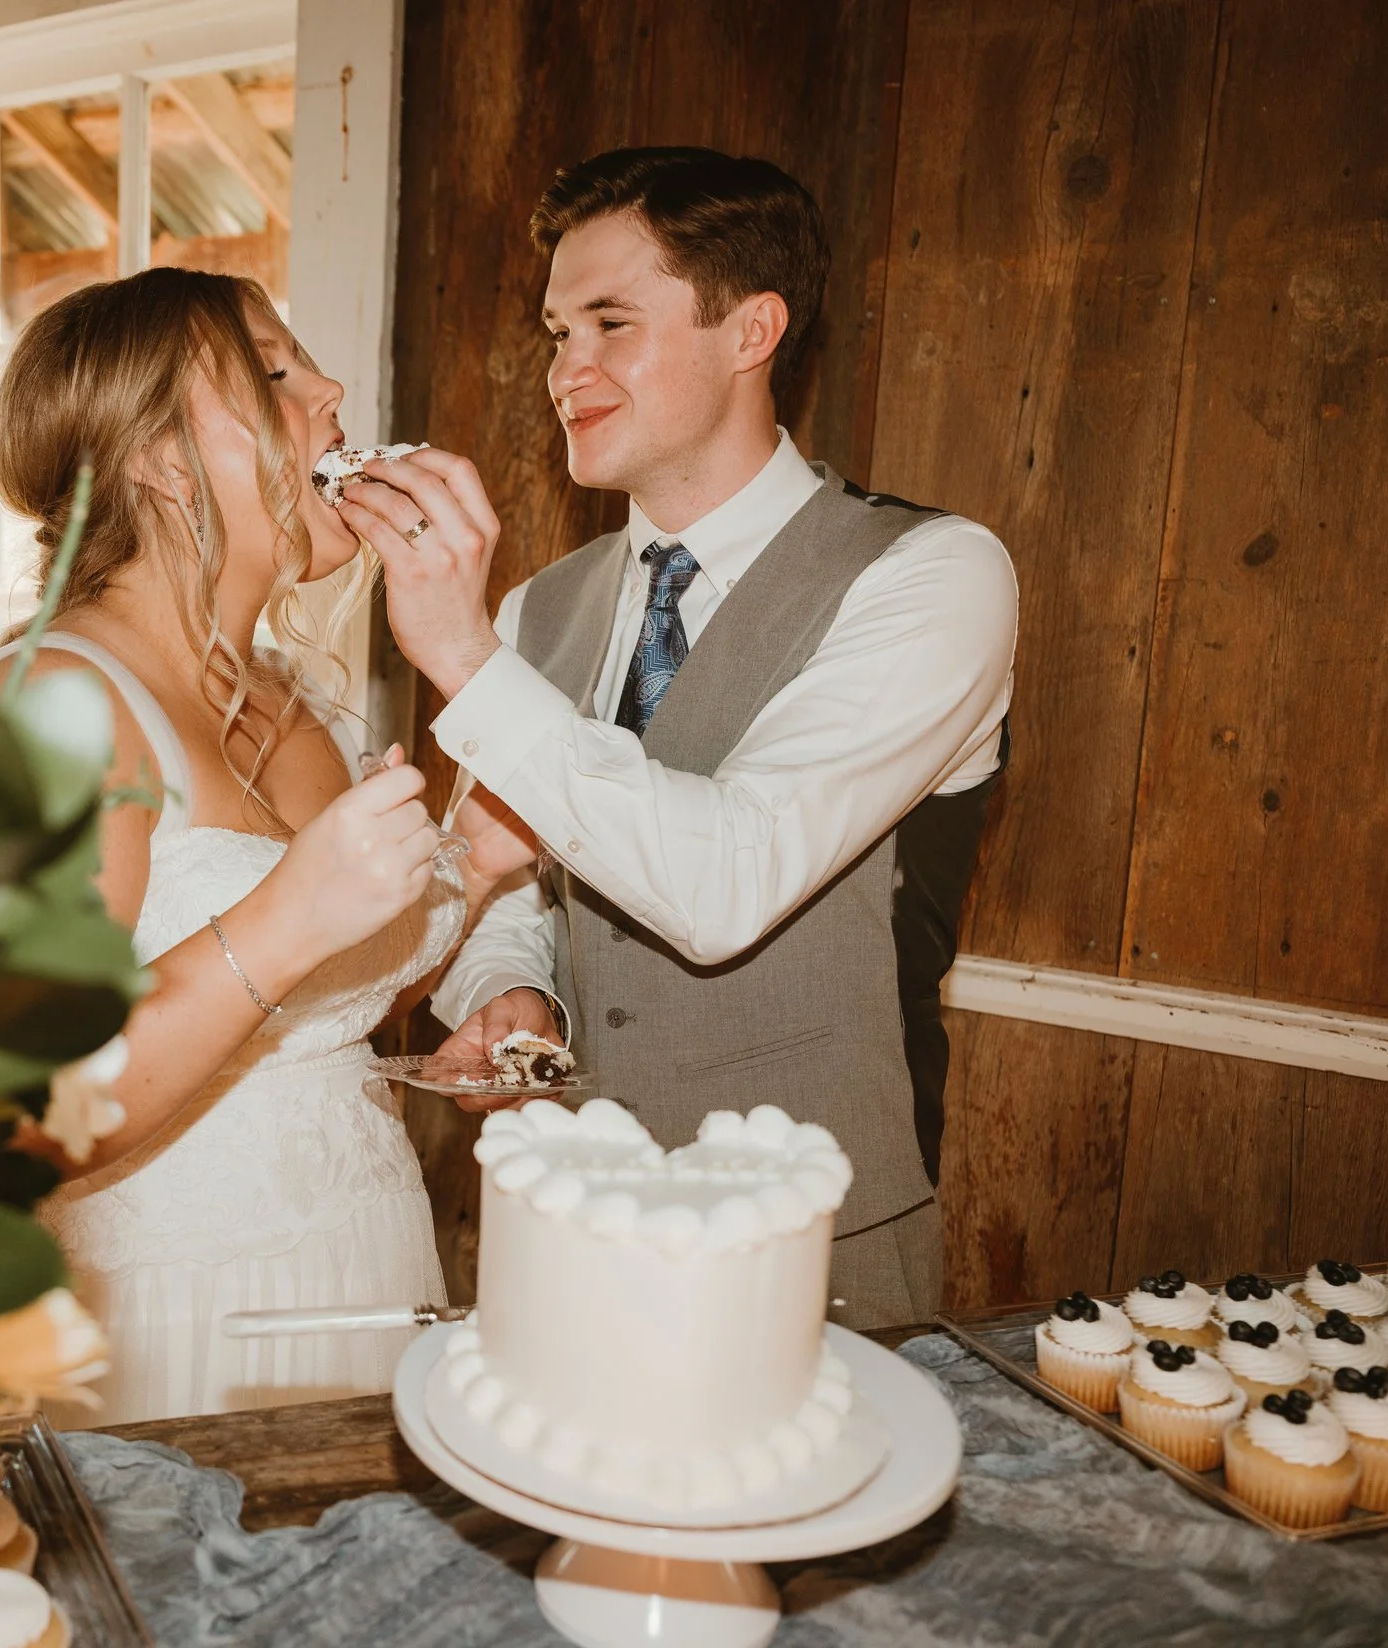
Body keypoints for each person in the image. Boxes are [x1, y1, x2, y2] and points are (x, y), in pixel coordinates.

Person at [333, 147, 1018, 1326]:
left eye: (609, 322)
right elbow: (507, 879)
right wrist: (513, 991)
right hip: (558, 1219)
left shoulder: (932, 576)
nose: (566, 370)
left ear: (751, 330)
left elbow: (724, 881)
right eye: (556, 332)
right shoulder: (535, 610)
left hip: (811, 1245)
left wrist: (457, 657)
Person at [0, 268, 537, 1423]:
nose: (333, 388)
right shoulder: (48, 712)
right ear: (161, 460)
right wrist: (283, 916)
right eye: (277, 374)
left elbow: (326, 998)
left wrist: (473, 868)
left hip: (371, 1280)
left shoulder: (306, 709)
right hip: (167, 1333)